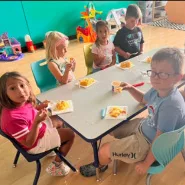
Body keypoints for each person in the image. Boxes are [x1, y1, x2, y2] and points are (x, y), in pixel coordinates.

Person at [79, 47, 185, 177]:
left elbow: (159, 140)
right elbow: (143, 99)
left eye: (163, 74)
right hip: (144, 126)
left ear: (177, 78)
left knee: (103, 151)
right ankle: (117, 152)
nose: (156, 78)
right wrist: (130, 88)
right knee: (110, 129)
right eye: (153, 72)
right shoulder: (159, 88)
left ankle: (100, 165)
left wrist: (146, 163)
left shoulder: (170, 106)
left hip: (147, 143)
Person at [0, 71, 75, 176]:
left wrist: (38, 108)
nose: (20, 91)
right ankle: (56, 166)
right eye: (13, 88)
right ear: (4, 93)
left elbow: (27, 112)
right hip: (34, 143)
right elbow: (29, 143)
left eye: (22, 85)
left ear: (28, 85)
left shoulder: (20, 101)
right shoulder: (12, 119)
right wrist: (36, 122)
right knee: (70, 134)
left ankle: (54, 145)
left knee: (59, 119)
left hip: (37, 127)